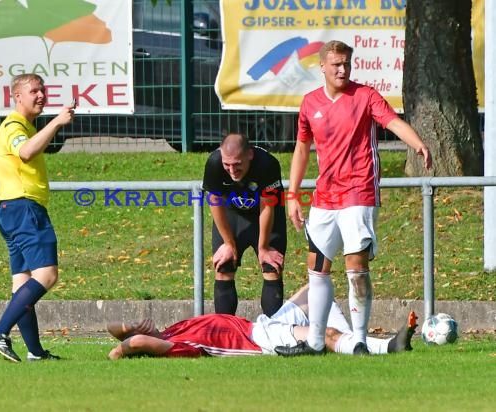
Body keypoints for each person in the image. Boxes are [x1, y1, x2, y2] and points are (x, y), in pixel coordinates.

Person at [285, 40, 433, 356]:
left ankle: (361, 340)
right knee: (317, 268)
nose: (342, 70)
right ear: (322, 66)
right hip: (325, 198)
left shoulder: (365, 96)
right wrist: (292, 194)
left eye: (346, 64)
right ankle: (314, 343)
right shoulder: (310, 103)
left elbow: (392, 121)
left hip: (358, 194)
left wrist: (417, 143)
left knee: (356, 268)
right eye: (336, 64)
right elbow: (302, 148)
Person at [0, 73, 76, 362]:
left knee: (22, 285)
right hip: (24, 209)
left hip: (13, 211)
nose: (41, 95)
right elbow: (26, 151)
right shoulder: (13, 126)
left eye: (43, 90)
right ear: (17, 97)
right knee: (47, 275)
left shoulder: (22, 126)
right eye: (34, 91)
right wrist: (57, 122)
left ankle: (35, 352)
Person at [106, 284, 418, 359]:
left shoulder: (174, 328)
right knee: (324, 334)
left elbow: (112, 326)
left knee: (317, 290)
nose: (139, 326)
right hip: (258, 340)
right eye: (136, 328)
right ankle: (387, 347)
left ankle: (355, 343)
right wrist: (124, 346)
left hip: (258, 324)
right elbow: (132, 343)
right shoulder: (176, 344)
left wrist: (130, 323)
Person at [202, 133, 286, 316]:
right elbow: (214, 201)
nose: (232, 170)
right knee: (223, 266)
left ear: (250, 154)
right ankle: (226, 332)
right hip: (231, 213)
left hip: (265, 214)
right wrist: (228, 243)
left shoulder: (267, 164)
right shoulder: (214, 162)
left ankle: (275, 333)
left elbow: (267, 206)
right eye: (227, 165)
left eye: (237, 164)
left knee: (272, 266)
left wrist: (263, 248)